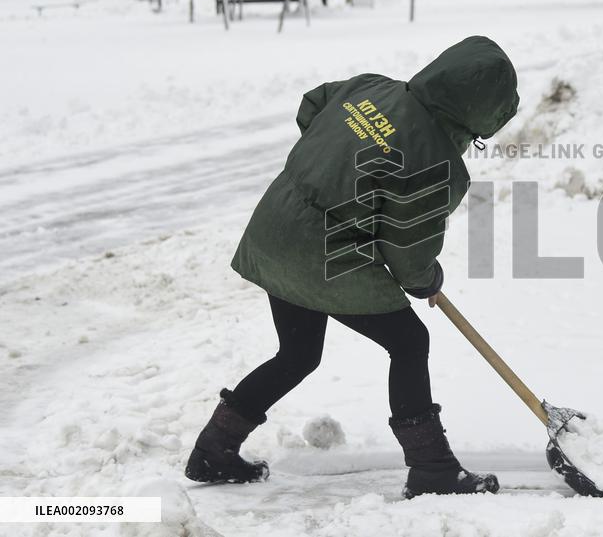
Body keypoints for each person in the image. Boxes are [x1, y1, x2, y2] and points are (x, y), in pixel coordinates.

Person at [183, 35, 520, 499]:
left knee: (298, 354)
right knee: (409, 341)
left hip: (275, 229)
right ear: (483, 116)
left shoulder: (371, 87)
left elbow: (313, 105)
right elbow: (408, 250)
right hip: (323, 256)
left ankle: (212, 451)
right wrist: (426, 281)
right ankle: (432, 470)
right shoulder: (436, 162)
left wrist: (333, 167)